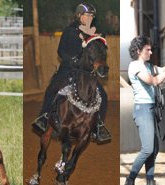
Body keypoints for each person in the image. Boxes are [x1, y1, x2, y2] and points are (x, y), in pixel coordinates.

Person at [31, 3, 110, 141]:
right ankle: (43, 117)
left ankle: (98, 126)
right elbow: (60, 51)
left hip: (85, 73)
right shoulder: (69, 31)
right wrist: (73, 59)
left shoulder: (92, 33)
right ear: (79, 16)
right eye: (87, 15)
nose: (90, 18)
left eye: (92, 16)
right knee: (52, 89)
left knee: (103, 95)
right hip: (68, 68)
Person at [120, 36, 165, 185]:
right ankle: (129, 183)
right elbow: (154, 81)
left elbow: (158, 70)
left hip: (150, 110)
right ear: (138, 51)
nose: (151, 52)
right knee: (147, 149)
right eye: (148, 49)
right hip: (143, 110)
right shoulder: (135, 66)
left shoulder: (147, 65)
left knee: (154, 149)